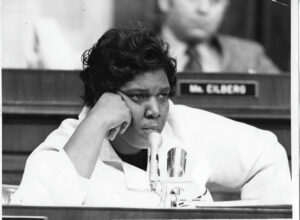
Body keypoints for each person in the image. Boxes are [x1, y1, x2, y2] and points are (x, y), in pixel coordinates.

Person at [10, 22, 291, 207]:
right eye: (137, 96)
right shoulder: (66, 145)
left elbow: (266, 155)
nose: (155, 110)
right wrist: (96, 123)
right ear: (104, 98)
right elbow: (35, 209)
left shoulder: (182, 125)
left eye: (163, 95)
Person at [157, 0, 280, 73]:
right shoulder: (138, 52)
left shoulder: (250, 58)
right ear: (165, 2)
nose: (204, 9)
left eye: (215, 1)